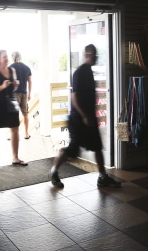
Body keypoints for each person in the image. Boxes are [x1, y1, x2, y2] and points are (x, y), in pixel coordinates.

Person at [50, 44, 120, 188]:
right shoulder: (80, 72)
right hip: (78, 120)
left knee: (97, 147)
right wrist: (84, 116)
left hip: (89, 118)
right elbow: (74, 96)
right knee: (72, 150)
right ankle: (54, 172)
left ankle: (102, 177)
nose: (95, 57)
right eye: (93, 54)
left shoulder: (89, 71)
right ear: (88, 55)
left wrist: (91, 116)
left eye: (96, 55)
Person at [0, 49, 25, 165]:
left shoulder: (12, 70)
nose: (6, 59)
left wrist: (15, 85)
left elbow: (12, 89)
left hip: (11, 102)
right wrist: (2, 86)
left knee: (15, 128)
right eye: (4, 57)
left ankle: (15, 157)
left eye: (7, 56)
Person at [9, 51, 33, 140]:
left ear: (13, 57)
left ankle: (13, 135)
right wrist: (29, 93)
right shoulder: (26, 68)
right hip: (24, 93)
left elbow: (9, 82)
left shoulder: (10, 67)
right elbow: (30, 81)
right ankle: (26, 134)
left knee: (13, 115)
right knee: (25, 114)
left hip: (14, 93)